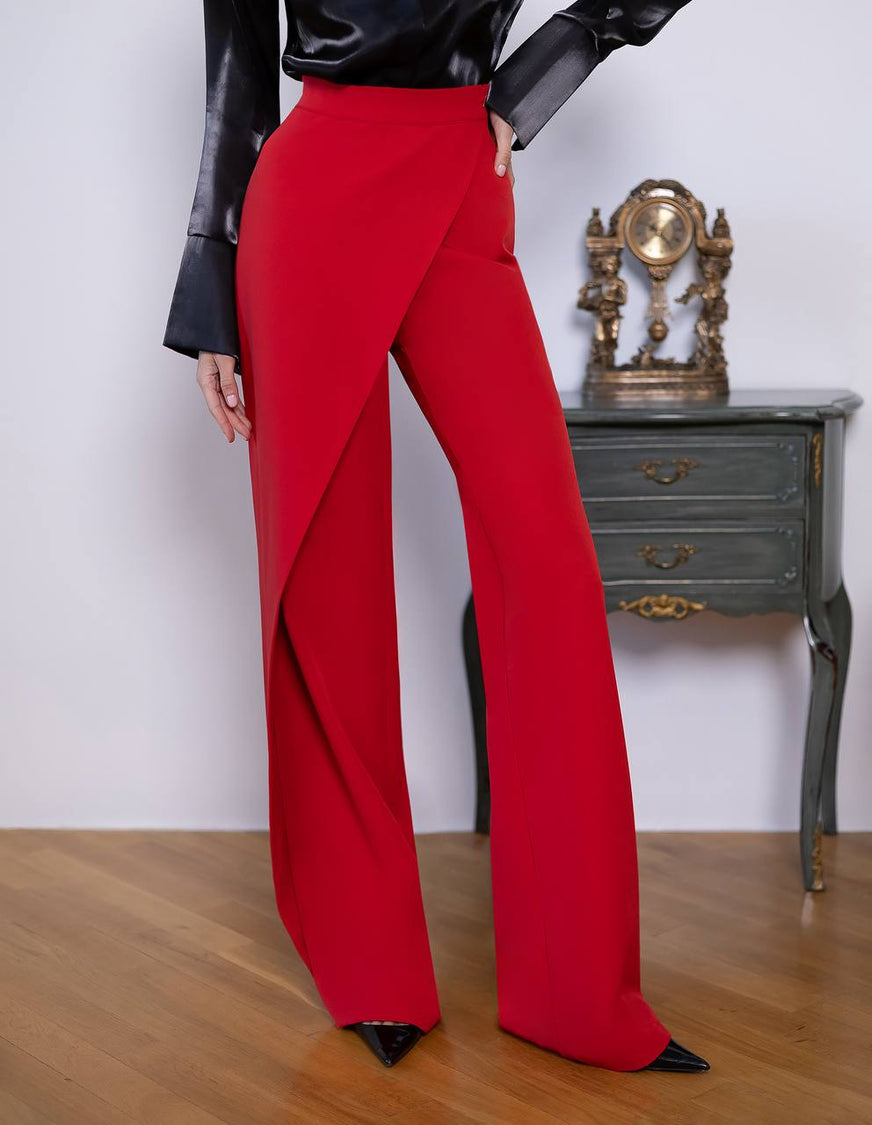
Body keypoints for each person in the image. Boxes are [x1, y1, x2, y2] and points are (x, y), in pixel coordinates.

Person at [163, 0, 709, 1073]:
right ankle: (372, 968)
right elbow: (236, 75)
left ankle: (576, 990)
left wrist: (546, 70)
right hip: (313, 188)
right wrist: (209, 288)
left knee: (544, 564)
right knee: (327, 571)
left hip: (462, 180)